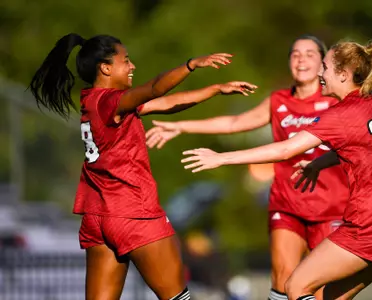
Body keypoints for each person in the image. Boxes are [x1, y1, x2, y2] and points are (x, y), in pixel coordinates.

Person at [145, 35, 372, 299]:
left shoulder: (341, 112)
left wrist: (221, 158)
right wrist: (320, 162)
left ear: (342, 73)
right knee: (330, 297)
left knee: (296, 286)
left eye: (323, 65)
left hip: (368, 223)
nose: (320, 73)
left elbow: (286, 148)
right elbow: (362, 147)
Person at [28, 33, 257, 300]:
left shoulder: (94, 101)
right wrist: (191, 64)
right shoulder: (111, 101)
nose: (132, 66)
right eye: (126, 60)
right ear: (105, 68)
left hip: (99, 217)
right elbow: (156, 89)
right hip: (133, 213)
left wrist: (215, 89)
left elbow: (168, 102)